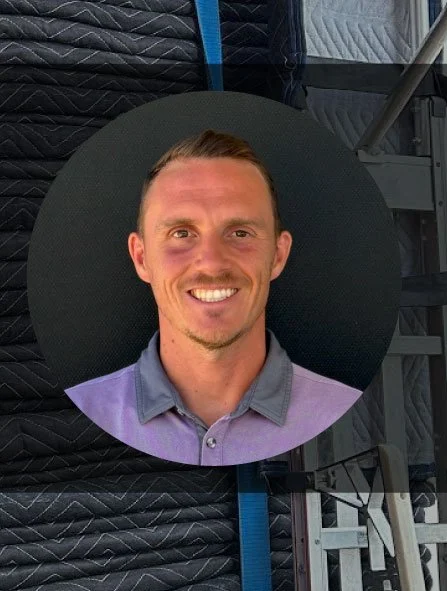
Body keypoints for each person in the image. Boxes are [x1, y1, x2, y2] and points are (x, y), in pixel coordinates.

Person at [65, 129, 362, 466]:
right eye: (181, 233)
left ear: (278, 255)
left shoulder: (346, 416)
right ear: (141, 258)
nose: (212, 263)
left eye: (239, 233)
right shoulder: (78, 416)